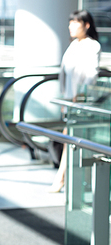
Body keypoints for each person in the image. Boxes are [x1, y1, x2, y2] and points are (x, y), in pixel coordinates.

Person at [49, 10, 101, 193]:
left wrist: (80, 95)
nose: (70, 26)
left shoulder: (92, 46)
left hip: (82, 102)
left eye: (75, 23)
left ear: (86, 25)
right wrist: (66, 98)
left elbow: (91, 75)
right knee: (72, 139)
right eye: (70, 22)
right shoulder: (73, 46)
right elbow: (64, 75)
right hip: (70, 101)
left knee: (70, 139)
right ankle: (75, 179)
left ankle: (62, 178)